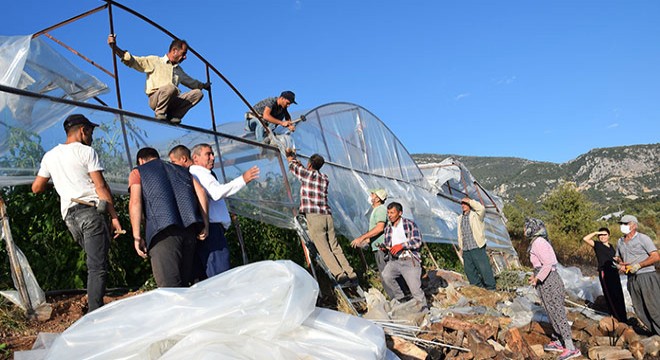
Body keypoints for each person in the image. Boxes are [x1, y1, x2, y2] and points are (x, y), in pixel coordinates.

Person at [32, 114, 123, 312]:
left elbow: (36, 187)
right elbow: (100, 186)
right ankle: (94, 314)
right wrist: (114, 216)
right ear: (83, 131)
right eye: (90, 132)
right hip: (90, 213)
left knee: (94, 262)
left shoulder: (50, 156)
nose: (91, 137)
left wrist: (60, 181)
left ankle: (93, 307)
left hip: (70, 218)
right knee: (97, 267)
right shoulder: (86, 152)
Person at [128, 147, 209, 287]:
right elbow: (201, 192)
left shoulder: (138, 172)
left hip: (163, 233)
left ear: (141, 161)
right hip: (189, 232)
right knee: (185, 285)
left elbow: (135, 202)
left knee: (169, 289)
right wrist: (205, 225)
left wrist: (137, 236)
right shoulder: (182, 169)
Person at [285, 148, 357, 285]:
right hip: (327, 216)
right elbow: (303, 170)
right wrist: (300, 163)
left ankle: (340, 275)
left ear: (310, 165)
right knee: (335, 246)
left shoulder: (306, 175)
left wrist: (290, 156)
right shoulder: (324, 178)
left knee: (323, 248)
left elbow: (292, 166)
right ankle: (351, 273)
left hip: (315, 217)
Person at [189, 143, 259, 277]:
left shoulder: (203, 174)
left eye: (212, 154)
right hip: (213, 230)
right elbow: (216, 193)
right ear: (195, 158)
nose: (212, 157)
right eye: (207, 154)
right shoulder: (199, 173)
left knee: (215, 272)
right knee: (220, 274)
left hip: (214, 229)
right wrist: (242, 180)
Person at [107, 34, 210, 124]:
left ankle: (174, 116)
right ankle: (160, 113)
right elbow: (133, 61)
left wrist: (204, 86)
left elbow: (192, 82)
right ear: (174, 51)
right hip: (156, 98)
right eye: (183, 54)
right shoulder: (155, 61)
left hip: (171, 100)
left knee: (198, 93)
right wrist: (115, 48)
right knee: (171, 87)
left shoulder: (178, 70)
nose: (185, 57)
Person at [525, 218, 581, 360]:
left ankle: (571, 348)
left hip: (549, 280)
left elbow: (548, 264)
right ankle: (558, 340)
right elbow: (539, 264)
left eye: (526, 226)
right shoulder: (537, 241)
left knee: (557, 311)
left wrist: (538, 278)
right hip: (544, 279)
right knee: (550, 310)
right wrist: (534, 276)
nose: (524, 229)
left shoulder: (539, 242)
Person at [350, 188, 408, 299]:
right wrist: (367, 241)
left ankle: (398, 299)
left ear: (377, 198)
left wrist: (362, 237)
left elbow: (380, 228)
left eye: (372, 194)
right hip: (380, 247)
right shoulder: (378, 210)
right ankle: (402, 297)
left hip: (382, 249)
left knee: (387, 275)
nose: (370, 196)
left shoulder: (380, 209)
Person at [615, 214, 660, 335]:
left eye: (626, 224)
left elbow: (655, 256)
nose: (623, 227)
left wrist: (639, 265)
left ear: (634, 225)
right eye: (621, 224)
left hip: (646, 276)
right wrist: (621, 264)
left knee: (654, 307)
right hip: (631, 278)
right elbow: (618, 257)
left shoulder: (643, 238)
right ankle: (655, 333)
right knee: (639, 309)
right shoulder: (620, 241)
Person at [381, 202, 427, 308]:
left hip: (409, 260)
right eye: (388, 213)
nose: (390, 215)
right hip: (395, 260)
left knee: (415, 289)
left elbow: (417, 241)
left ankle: (424, 311)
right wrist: (385, 248)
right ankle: (401, 297)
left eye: (392, 212)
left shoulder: (409, 224)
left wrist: (402, 246)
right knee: (386, 275)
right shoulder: (388, 228)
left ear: (400, 213)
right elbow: (389, 245)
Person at [582, 227, 627, 322]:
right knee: (610, 294)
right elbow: (585, 239)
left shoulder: (611, 246)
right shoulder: (597, 245)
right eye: (600, 235)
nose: (602, 236)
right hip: (605, 272)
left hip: (614, 272)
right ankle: (616, 317)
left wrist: (621, 264)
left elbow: (615, 258)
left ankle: (623, 317)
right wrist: (595, 232)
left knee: (618, 294)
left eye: (604, 234)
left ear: (609, 236)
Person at [457, 197, 496, 290]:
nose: (463, 205)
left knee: (484, 268)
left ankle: (491, 288)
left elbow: (481, 208)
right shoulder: (460, 218)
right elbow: (460, 234)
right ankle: (478, 289)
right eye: (462, 204)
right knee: (469, 271)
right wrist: (461, 248)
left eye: (465, 203)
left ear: (470, 205)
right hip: (466, 248)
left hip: (476, 246)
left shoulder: (476, 216)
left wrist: (470, 201)